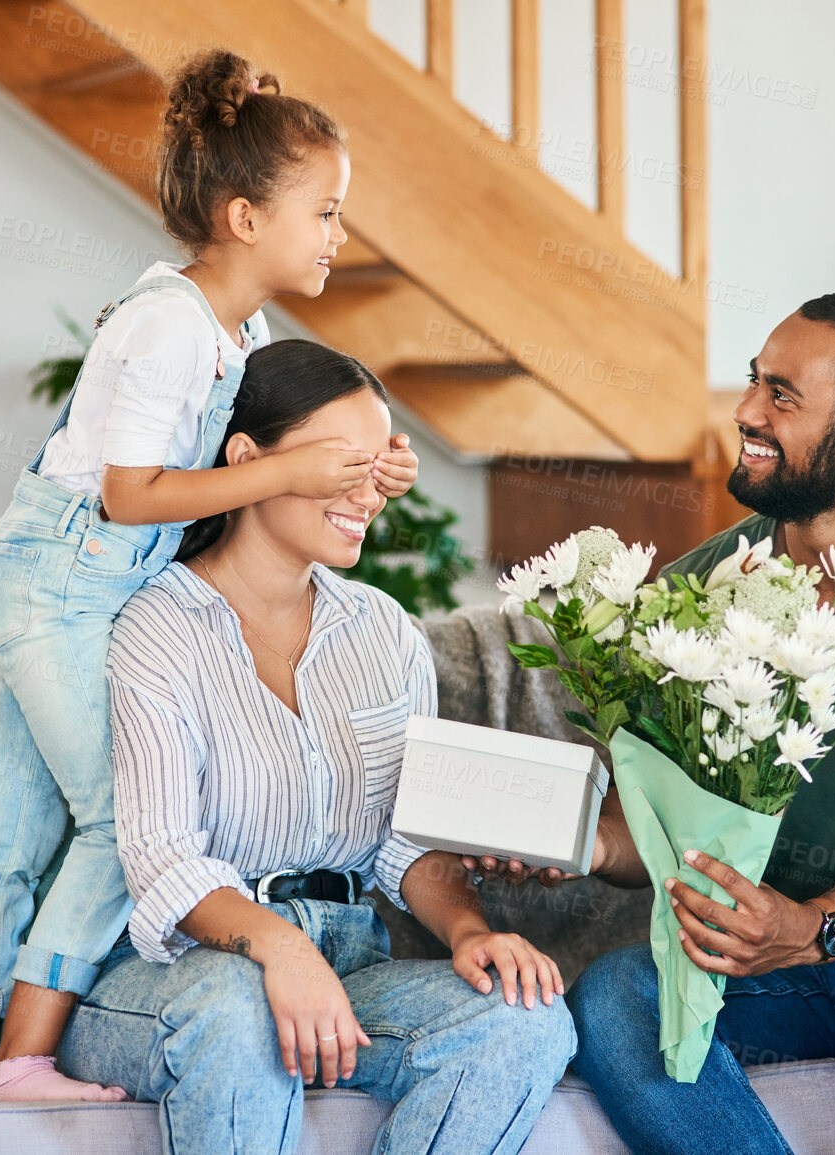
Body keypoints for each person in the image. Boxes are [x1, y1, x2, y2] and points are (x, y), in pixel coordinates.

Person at [0, 50, 419, 1101]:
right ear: (246, 219)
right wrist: (288, 469)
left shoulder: (243, 330)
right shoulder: (165, 328)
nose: (341, 236)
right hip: (59, 579)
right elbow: (131, 495)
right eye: (325, 214)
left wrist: (366, 464)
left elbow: (269, 448)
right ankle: (21, 1059)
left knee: (12, 827)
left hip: (82, 588)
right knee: (117, 825)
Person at [475, 293, 835, 1154]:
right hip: (758, 976)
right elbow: (669, 830)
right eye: (754, 382)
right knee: (616, 995)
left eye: (781, 394)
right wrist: (574, 845)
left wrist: (812, 926)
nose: (746, 411)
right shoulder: (693, 590)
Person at [52, 339, 575, 1153]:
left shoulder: (382, 631)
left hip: (343, 969)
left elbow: (406, 843)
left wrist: (471, 932)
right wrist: (279, 948)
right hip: (171, 983)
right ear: (247, 460)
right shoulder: (156, 628)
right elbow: (161, 858)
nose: (365, 493)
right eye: (341, 464)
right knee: (236, 1003)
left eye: (378, 468)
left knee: (523, 1019)